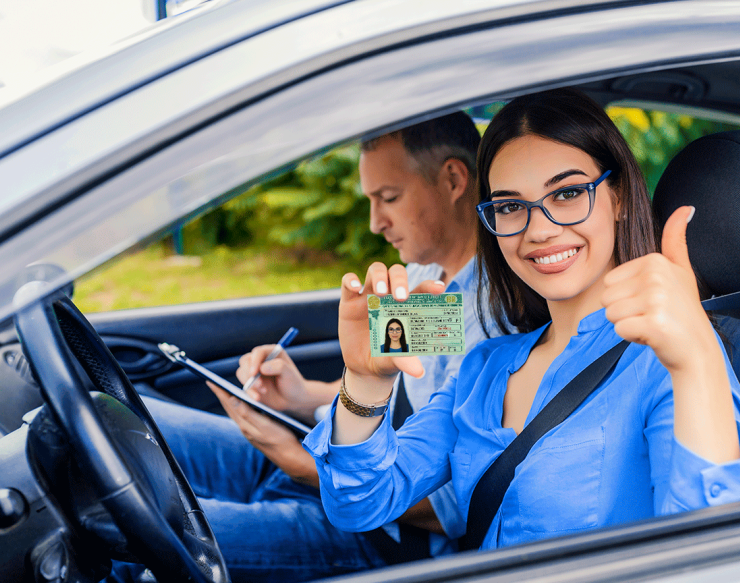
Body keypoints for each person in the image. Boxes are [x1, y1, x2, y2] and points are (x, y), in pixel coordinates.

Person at [303, 88, 740, 549]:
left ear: (617, 196)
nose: (538, 230)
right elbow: (359, 504)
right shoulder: (484, 367)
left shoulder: (670, 361)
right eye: (509, 206)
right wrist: (364, 381)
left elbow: (713, 556)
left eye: (567, 194)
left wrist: (698, 357)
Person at [110, 111, 490, 583]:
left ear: (453, 179)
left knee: (134, 549)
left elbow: (447, 509)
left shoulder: (489, 319)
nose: (375, 223)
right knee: (118, 423)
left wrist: (298, 462)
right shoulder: (424, 277)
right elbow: (383, 394)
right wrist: (300, 394)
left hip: (379, 534)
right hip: (323, 460)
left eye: (388, 198)